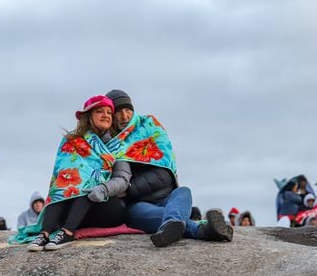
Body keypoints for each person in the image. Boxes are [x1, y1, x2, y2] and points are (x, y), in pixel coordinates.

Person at [106, 89, 233, 247]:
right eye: (118, 112)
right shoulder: (106, 145)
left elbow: (165, 175)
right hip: (138, 205)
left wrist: (129, 189)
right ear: (111, 115)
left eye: (128, 110)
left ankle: (173, 225)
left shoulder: (150, 130)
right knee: (167, 215)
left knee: (183, 191)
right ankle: (201, 229)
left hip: (167, 198)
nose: (125, 116)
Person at [24, 95, 131, 251]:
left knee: (88, 181)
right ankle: (44, 233)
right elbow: (61, 172)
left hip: (102, 204)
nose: (106, 115)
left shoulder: (117, 144)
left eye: (109, 112)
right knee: (63, 182)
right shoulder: (72, 141)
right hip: (72, 205)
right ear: (88, 117)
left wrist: (103, 188)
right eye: (100, 111)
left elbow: (123, 179)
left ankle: (67, 232)